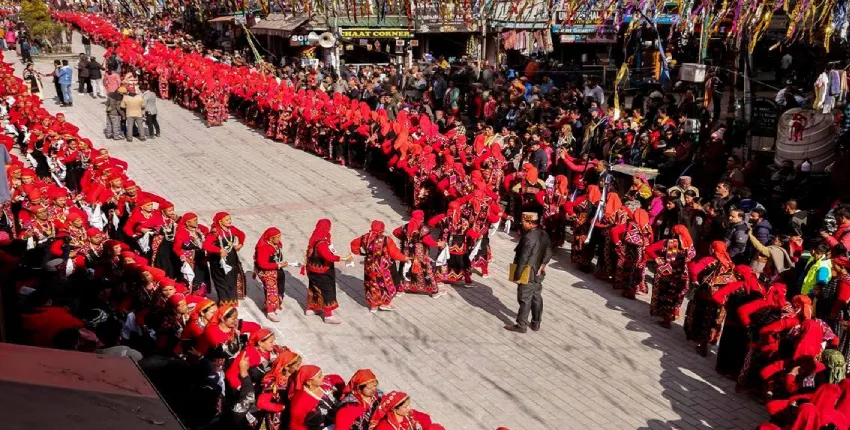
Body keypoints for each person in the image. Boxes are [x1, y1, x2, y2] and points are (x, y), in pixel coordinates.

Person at [685, 241, 736, 356]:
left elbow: (694, 270)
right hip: (721, 297)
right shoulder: (729, 264)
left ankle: (701, 341)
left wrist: (694, 278)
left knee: (702, 316)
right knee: (714, 318)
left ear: (713, 249)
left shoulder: (708, 260)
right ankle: (712, 338)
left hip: (706, 294)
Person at [505, 212, 552, 333]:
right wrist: (543, 264)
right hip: (538, 272)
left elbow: (523, 259)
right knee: (536, 296)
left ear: (530, 223)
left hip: (528, 272)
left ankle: (521, 325)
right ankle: (536, 323)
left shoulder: (529, 237)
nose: (522, 223)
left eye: (524, 221)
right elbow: (548, 251)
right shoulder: (544, 233)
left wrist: (516, 276)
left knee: (524, 298)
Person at [350, 220, 409, 312]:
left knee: (372, 284)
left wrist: (359, 252)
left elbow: (354, 243)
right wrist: (405, 258)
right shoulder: (386, 240)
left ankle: (373, 306)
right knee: (385, 284)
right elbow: (395, 254)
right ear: (382, 229)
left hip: (369, 266)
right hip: (383, 267)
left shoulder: (365, 237)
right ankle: (385, 303)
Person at [303, 218, 352, 324]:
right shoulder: (322, 243)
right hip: (321, 271)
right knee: (327, 291)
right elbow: (328, 257)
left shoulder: (315, 237)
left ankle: (311, 308)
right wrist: (343, 259)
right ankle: (328, 316)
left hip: (312, 269)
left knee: (314, 289)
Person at [646, 224, 695, 328]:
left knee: (666, 295)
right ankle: (674, 313)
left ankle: (666, 319)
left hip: (667, 274)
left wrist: (656, 258)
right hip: (682, 275)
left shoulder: (667, 243)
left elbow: (649, 249)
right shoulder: (690, 247)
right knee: (677, 295)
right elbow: (691, 263)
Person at [392, 210, 446, 298]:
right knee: (427, 272)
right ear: (422, 218)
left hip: (406, 254)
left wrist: (404, 238)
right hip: (420, 256)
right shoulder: (423, 229)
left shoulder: (405, 226)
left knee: (405, 271)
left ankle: (401, 289)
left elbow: (395, 232)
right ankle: (434, 291)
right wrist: (438, 244)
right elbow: (427, 240)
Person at [203, 212, 246, 308]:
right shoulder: (215, 232)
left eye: (230, 219)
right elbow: (206, 245)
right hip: (218, 260)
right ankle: (224, 303)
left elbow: (241, 234)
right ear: (220, 221)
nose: (230, 221)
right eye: (227, 220)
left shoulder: (232, 229)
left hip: (231, 257)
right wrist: (218, 250)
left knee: (231, 278)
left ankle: (232, 302)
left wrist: (240, 244)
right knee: (222, 280)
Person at [612, 208, 653, 299]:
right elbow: (651, 240)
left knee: (626, 269)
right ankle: (634, 289)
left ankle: (626, 289)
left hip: (628, 252)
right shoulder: (648, 228)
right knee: (636, 272)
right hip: (641, 254)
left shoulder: (629, 224)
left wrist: (618, 243)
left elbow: (614, 231)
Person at [289, 365, 340, 430]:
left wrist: (343, 390)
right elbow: (295, 425)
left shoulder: (323, 384)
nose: (323, 377)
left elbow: (336, 378)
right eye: (319, 376)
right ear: (309, 382)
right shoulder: (300, 402)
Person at [254, 227, 288, 322]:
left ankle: (273, 304)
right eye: (277, 237)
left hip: (276, 269)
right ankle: (270, 312)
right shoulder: (263, 248)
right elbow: (262, 264)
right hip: (266, 271)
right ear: (270, 238)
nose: (279, 239)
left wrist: (279, 264)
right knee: (271, 289)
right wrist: (278, 264)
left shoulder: (276, 244)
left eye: (279, 236)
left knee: (280, 287)